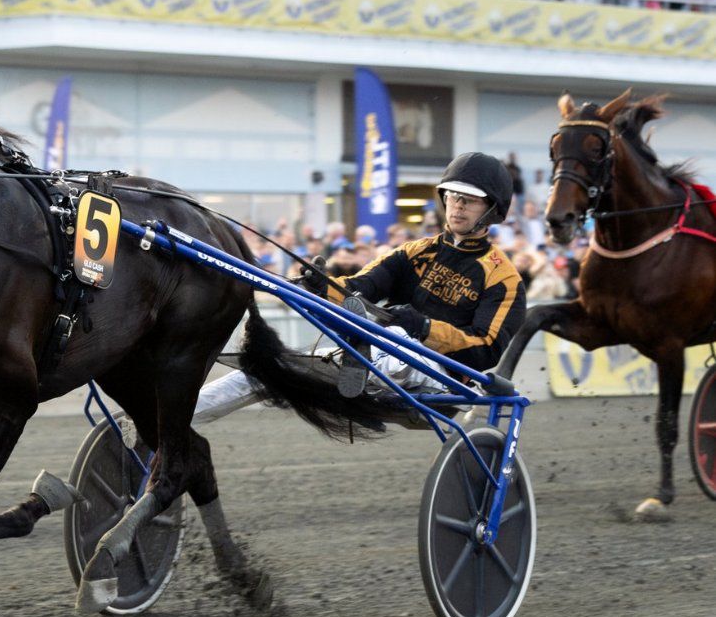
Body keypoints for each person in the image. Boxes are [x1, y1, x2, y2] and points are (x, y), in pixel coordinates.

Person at [191, 152, 526, 425]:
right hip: (377, 359)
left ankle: (359, 359)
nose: (457, 206)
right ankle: (170, 418)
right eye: (453, 196)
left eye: (469, 200)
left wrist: (425, 329)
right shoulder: (413, 252)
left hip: (441, 382)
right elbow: (358, 289)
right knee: (263, 370)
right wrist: (322, 287)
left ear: (492, 210)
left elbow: (487, 347)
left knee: (401, 340)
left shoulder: (503, 277)